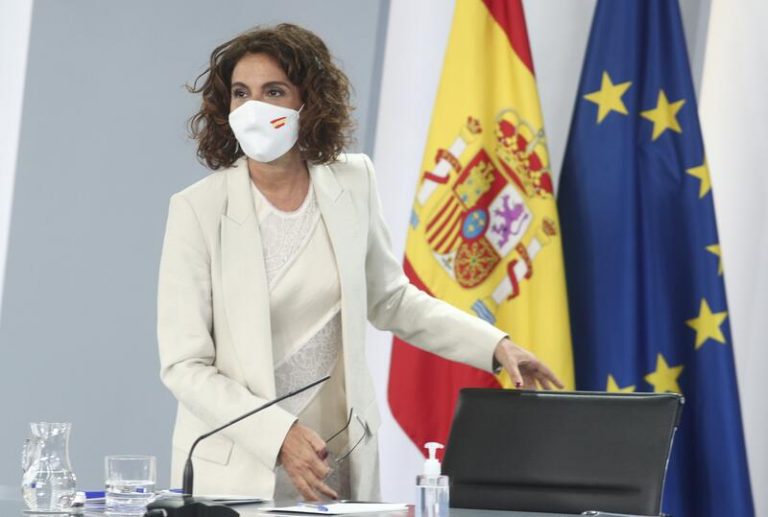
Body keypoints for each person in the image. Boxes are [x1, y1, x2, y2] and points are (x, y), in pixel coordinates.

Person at [157, 23, 563, 503]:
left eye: (274, 91)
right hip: (236, 468)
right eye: (241, 93)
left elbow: (391, 299)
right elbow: (185, 367)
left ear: (309, 102)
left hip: (335, 455)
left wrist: (493, 344)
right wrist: (279, 435)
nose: (254, 108)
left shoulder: (353, 181)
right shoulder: (198, 208)